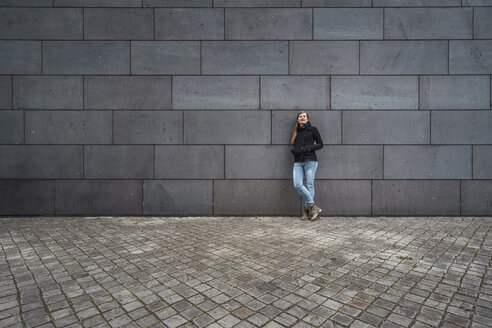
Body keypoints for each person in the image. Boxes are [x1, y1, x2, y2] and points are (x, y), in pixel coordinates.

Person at [291, 111, 323, 221]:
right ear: (298, 119)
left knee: (309, 185)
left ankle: (306, 210)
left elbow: (320, 144)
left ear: (307, 119)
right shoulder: (296, 132)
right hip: (298, 162)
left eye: (304, 116)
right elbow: (296, 146)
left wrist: (309, 148)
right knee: (297, 184)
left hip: (311, 161)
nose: (302, 118)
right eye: (300, 116)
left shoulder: (313, 129)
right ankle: (313, 207)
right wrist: (294, 151)